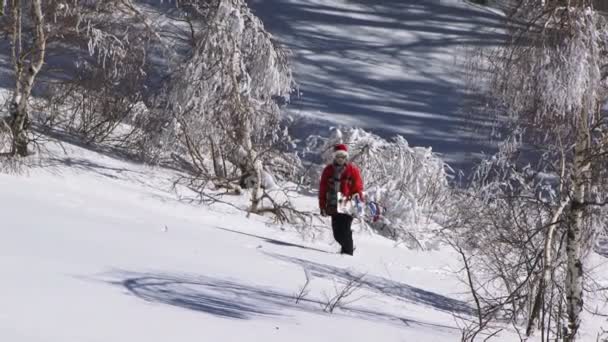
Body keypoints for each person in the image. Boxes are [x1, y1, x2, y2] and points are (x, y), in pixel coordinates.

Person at [319, 144, 364, 255]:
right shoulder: (328, 170)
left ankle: (348, 254)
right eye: (338, 156)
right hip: (333, 203)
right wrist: (322, 205)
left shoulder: (352, 170)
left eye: (343, 156)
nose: (340, 158)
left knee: (345, 230)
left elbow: (358, 188)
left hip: (347, 204)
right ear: (334, 156)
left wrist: (359, 206)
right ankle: (347, 250)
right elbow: (323, 189)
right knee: (337, 234)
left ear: (346, 157)